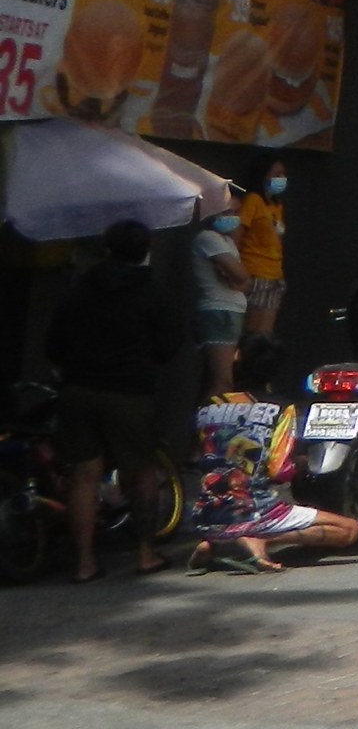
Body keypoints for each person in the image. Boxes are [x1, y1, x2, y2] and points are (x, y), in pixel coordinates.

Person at [42, 220, 182, 581]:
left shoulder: (80, 288)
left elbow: (53, 344)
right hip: (129, 392)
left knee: (84, 476)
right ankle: (145, 554)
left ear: (107, 248)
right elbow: (169, 344)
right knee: (142, 472)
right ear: (144, 250)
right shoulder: (152, 290)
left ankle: (85, 563)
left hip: (78, 391)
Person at [186, 335, 358, 574]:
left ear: (237, 361)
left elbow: (198, 457)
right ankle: (264, 539)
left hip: (206, 514)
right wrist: (300, 464)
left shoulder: (207, 406)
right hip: (256, 511)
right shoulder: (281, 409)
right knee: (350, 530)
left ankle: (214, 541)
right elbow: (279, 471)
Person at [190, 187, 249, 395]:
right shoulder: (208, 238)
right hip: (218, 311)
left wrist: (235, 277)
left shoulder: (227, 241)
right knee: (223, 382)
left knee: (217, 378)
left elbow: (242, 281)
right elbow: (240, 275)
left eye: (235, 213)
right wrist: (235, 277)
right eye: (227, 213)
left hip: (230, 311)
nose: (233, 218)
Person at [237, 154, 289, 340]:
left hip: (274, 276)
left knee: (264, 338)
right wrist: (239, 272)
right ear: (263, 176)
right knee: (249, 335)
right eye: (277, 174)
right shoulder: (253, 200)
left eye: (283, 174)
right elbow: (239, 233)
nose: (282, 178)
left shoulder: (277, 206)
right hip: (255, 274)